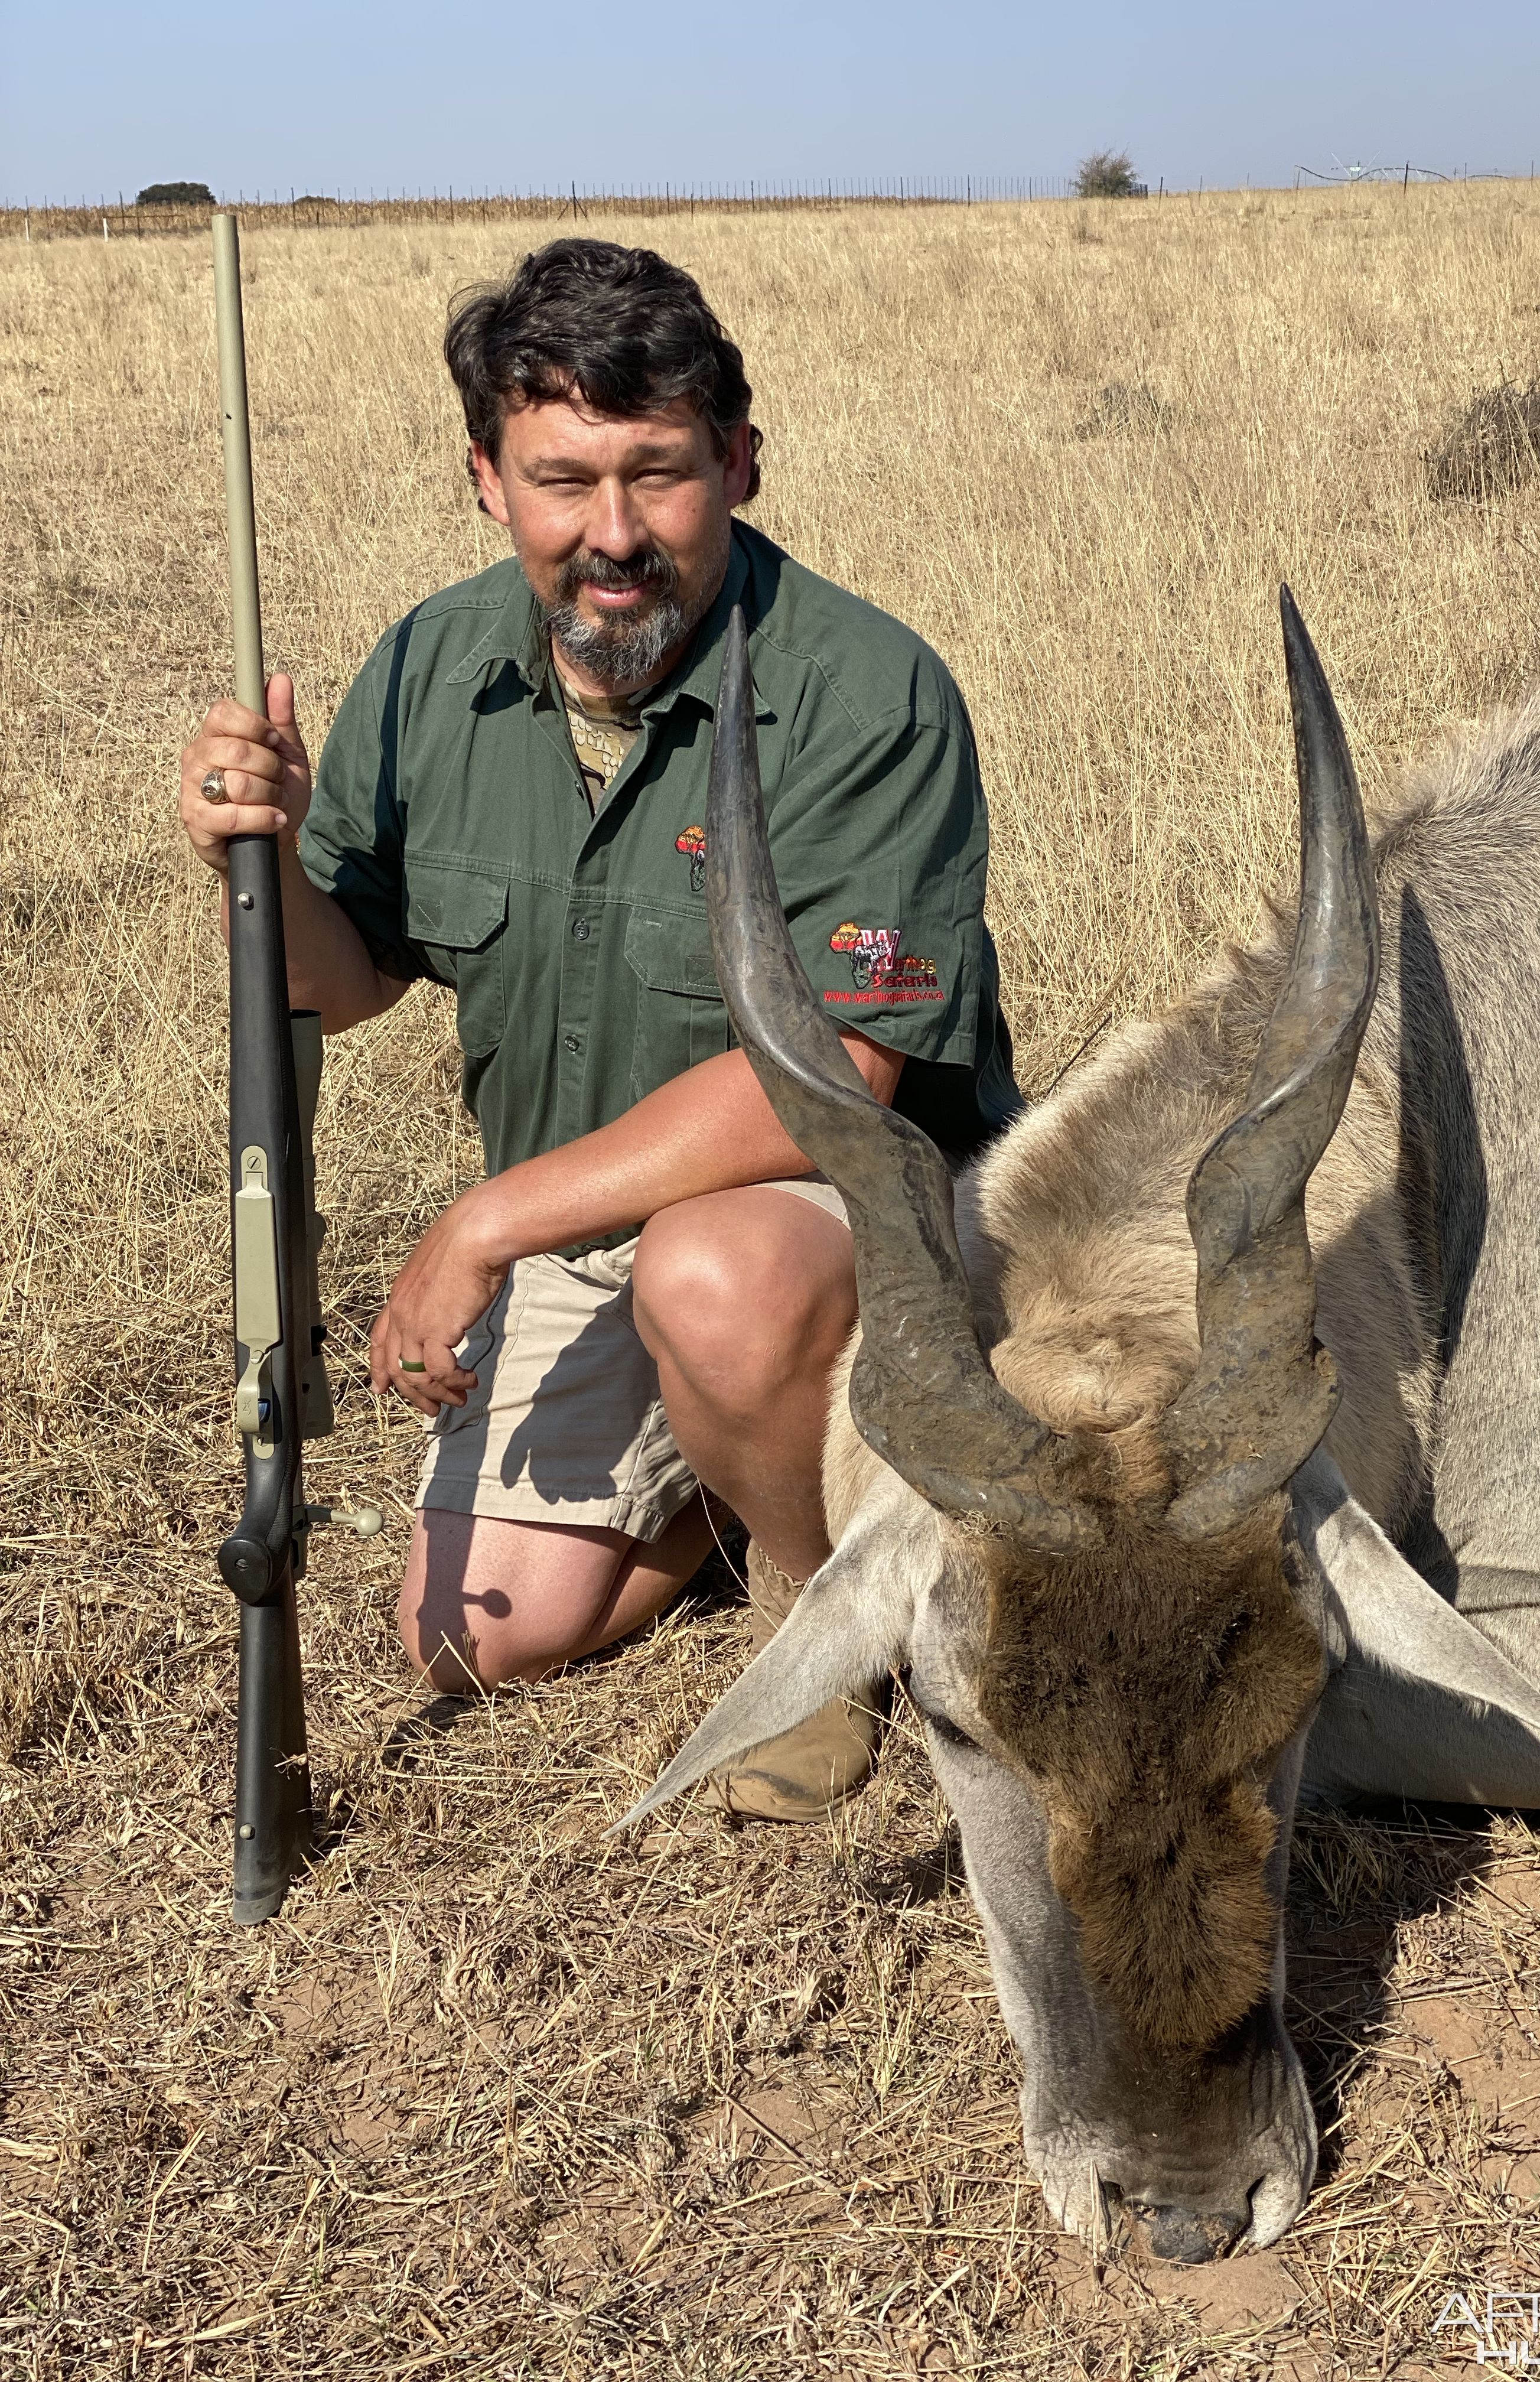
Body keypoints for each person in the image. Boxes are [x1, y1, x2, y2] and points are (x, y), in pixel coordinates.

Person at [178, 239, 1024, 1820]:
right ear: (487, 480)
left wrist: (491, 1218)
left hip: (838, 1226)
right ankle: (732, 1472)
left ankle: (811, 1602)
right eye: (564, 480)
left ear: (739, 464)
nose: (614, 536)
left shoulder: (865, 689)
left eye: (661, 475)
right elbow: (340, 973)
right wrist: (262, 858)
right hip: (585, 1231)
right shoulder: (432, 666)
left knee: (715, 1272)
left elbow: (841, 1074)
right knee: (462, 1639)